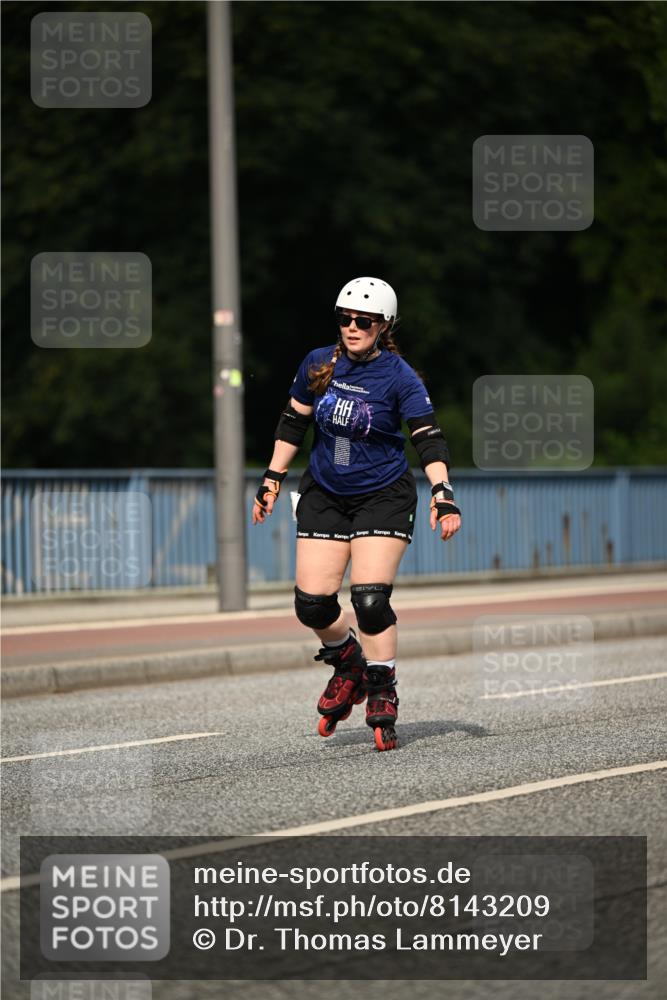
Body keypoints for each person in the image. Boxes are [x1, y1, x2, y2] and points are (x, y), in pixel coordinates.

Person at [251, 277, 461, 751]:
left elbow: (427, 436)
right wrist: (271, 478)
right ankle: (349, 662)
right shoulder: (318, 362)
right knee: (312, 605)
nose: (351, 327)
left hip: (383, 494)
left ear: (382, 325)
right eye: (344, 318)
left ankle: (382, 685)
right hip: (325, 492)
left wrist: (442, 491)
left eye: (362, 321)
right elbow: (293, 420)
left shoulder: (399, 376)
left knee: (368, 599)